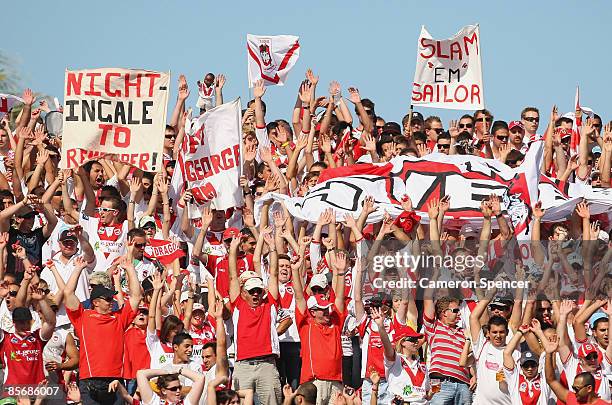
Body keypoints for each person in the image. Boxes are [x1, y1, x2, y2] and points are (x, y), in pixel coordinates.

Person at [64, 247, 142, 404]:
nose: (111, 301)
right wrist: (78, 269)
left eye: (111, 298)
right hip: (89, 381)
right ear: (95, 302)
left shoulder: (119, 318)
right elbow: (68, 293)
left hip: (115, 381)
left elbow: (136, 296)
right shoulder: (82, 317)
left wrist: (130, 269)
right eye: (107, 299)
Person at [228, 233, 282, 404]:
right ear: (243, 293)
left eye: (258, 290)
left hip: (267, 364)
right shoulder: (238, 304)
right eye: (252, 291)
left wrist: (273, 248)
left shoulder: (269, 305)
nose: (256, 294)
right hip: (243, 365)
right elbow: (233, 276)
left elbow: (273, 274)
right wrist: (233, 251)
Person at [291, 248, 347, 405]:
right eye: (322, 309)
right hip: (313, 382)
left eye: (327, 307)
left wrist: (341, 273)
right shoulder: (306, 324)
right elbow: (299, 296)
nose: (327, 311)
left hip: (336, 382)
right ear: (313, 312)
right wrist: (295, 272)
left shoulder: (335, 322)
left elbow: (340, 298)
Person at [373, 306, 429, 404]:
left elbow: (427, 394)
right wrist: (381, 327)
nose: (416, 342)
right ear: (402, 342)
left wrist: (432, 393)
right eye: (412, 340)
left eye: (417, 339)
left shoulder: (422, 365)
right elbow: (387, 346)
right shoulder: (395, 359)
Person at [137, 367, 206, 405]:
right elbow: (141, 374)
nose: (178, 391)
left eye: (179, 387)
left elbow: (200, 378)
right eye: (174, 389)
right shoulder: (154, 402)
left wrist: (179, 370)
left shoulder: (186, 403)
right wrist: (167, 371)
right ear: (164, 391)